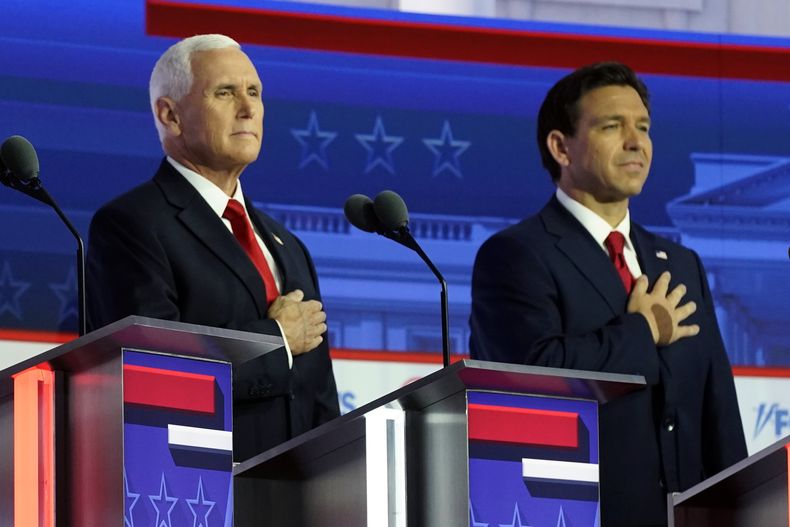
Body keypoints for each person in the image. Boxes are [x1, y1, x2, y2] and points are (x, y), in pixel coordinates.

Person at [469, 62, 746, 526]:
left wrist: (740, 507)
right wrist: (643, 331)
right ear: (561, 146)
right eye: (612, 127)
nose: (636, 143)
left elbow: (717, 409)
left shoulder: (679, 264)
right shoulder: (517, 255)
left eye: (643, 128)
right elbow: (532, 379)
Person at [86, 34, 339, 461]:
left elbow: (319, 396)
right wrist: (276, 341)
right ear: (170, 115)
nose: (248, 108)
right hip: (197, 491)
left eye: (254, 92)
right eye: (225, 92)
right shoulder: (133, 225)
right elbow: (154, 374)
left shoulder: (287, 245)